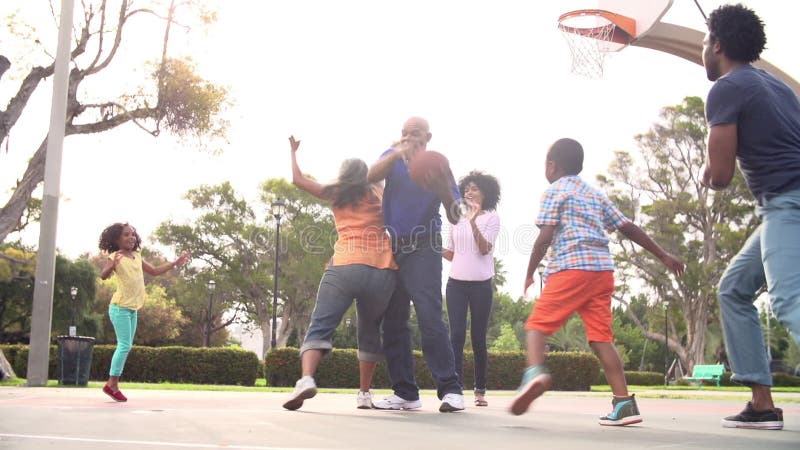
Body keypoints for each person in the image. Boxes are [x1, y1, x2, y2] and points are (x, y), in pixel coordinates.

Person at [510, 138, 684, 425]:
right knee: (602, 339)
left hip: (571, 269)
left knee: (537, 326)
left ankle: (535, 373)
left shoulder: (554, 191)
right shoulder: (595, 194)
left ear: (551, 165)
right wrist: (663, 255)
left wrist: (529, 272)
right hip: (602, 273)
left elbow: (545, 236)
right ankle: (624, 404)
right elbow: (628, 227)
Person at [701, 4, 800, 430]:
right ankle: (761, 403)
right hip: (781, 207)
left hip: (788, 203)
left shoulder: (726, 88)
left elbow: (720, 177)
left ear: (718, 45)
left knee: (789, 301)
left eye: (706, 41)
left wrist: (709, 172)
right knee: (734, 289)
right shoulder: (778, 86)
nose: (704, 48)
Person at [282, 136, 398, 411]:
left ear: (343, 175)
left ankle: (307, 378)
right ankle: (364, 394)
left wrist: (293, 152)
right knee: (369, 331)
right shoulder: (380, 193)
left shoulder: (335, 192)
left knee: (321, 325)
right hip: (381, 269)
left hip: (344, 265)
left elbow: (298, 179)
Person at [367, 116, 465, 412]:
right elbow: (370, 176)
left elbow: (456, 214)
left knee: (429, 315)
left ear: (428, 137)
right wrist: (398, 151)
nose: (411, 138)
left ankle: (451, 390)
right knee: (393, 320)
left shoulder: (438, 164)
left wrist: (442, 189)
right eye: (406, 134)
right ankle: (406, 392)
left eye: (417, 135)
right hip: (394, 245)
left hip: (425, 245)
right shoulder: (391, 156)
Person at [98, 223, 190, 402]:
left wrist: (175, 263)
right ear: (117, 239)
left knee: (127, 345)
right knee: (124, 345)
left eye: (132, 234)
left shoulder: (137, 256)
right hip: (119, 307)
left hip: (132, 308)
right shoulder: (115, 256)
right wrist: (112, 266)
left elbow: (154, 271)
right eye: (126, 235)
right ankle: (111, 384)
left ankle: (112, 384)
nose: (131, 237)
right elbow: (103, 275)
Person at [442, 170, 501, 407]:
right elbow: (452, 253)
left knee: (477, 338)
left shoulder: (492, 218)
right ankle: (455, 389)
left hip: (481, 286)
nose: (468, 192)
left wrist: (475, 222)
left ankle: (480, 390)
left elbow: (485, 248)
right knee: (455, 336)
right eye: (466, 188)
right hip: (456, 283)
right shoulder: (456, 218)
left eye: (474, 188)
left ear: (486, 194)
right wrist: (431, 246)